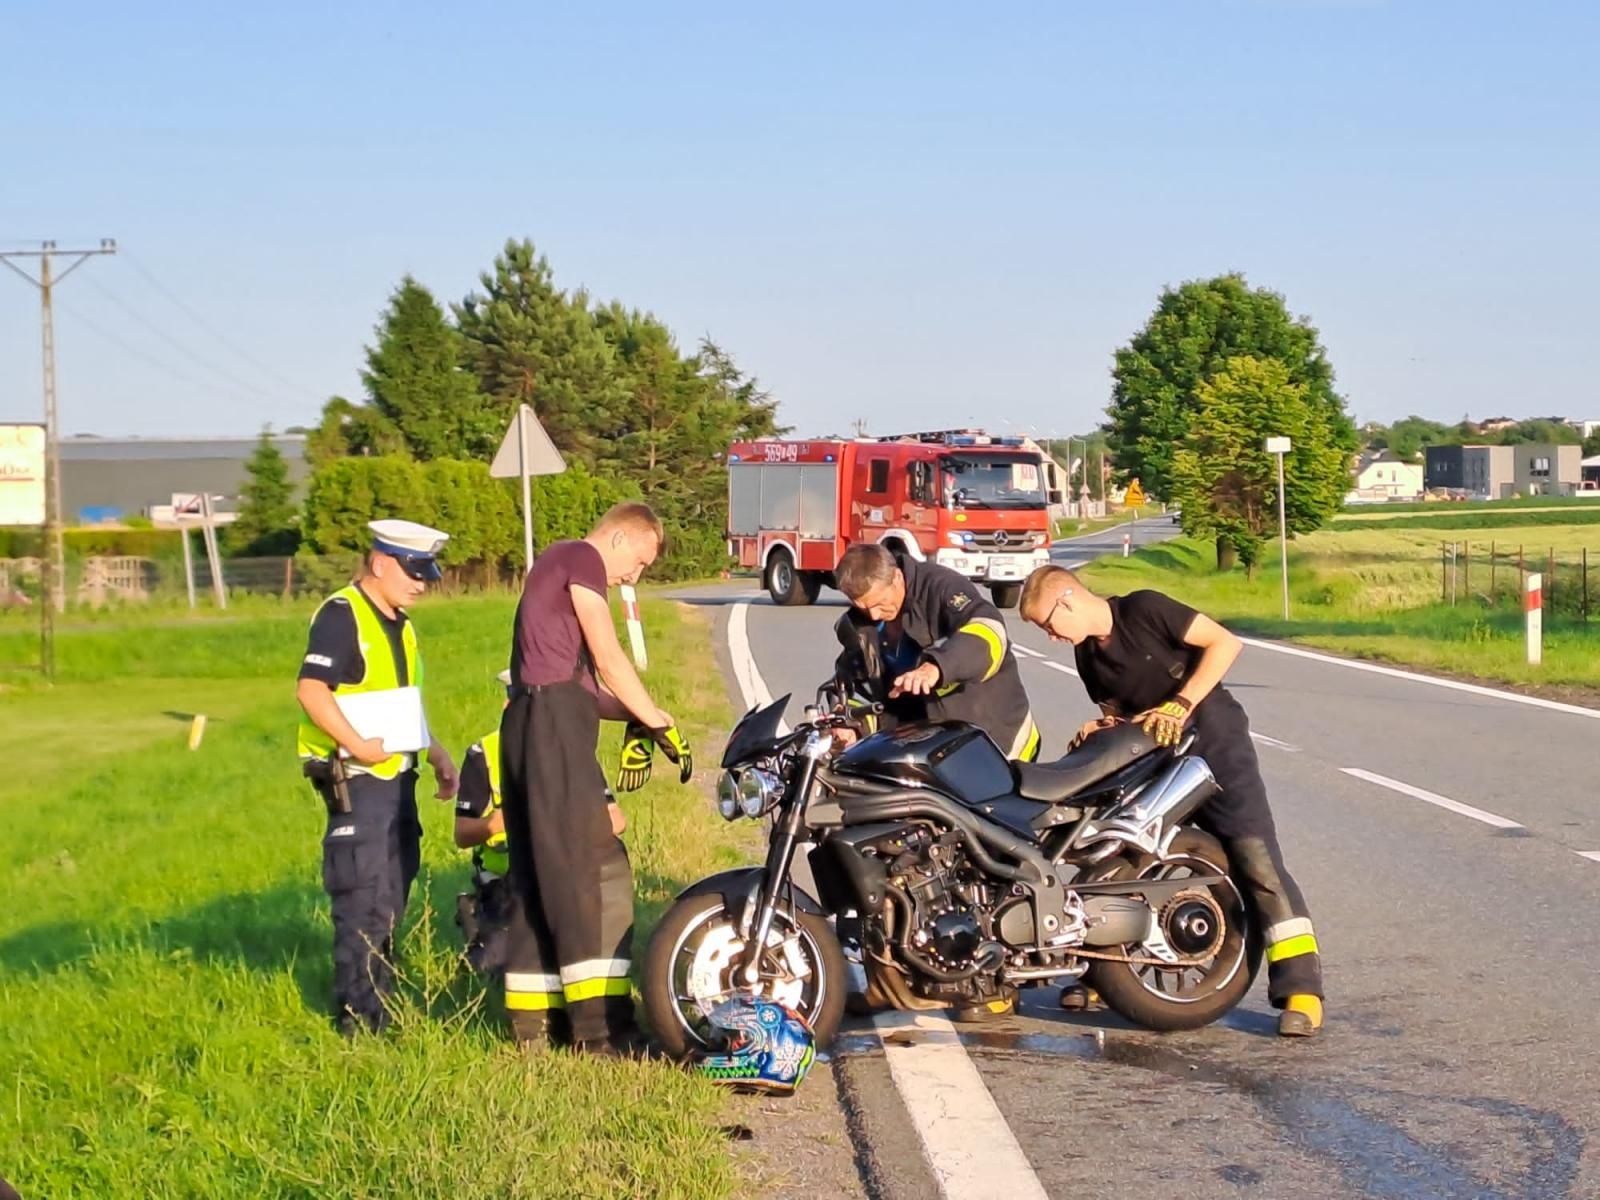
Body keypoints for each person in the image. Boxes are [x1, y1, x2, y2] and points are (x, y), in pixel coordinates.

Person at [1017, 564, 1325, 1037]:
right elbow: (1124, 714)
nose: (1051, 637)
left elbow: (1226, 643)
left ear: (1069, 599)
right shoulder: (1087, 657)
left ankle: (1300, 991)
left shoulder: (1145, 609)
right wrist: (1104, 727)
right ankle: (1101, 970)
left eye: (1048, 625)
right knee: (1118, 853)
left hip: (1213, 740)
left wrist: (1182, 703)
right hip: (1154, 755)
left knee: (1255, 858)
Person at [499, 501, 691, 1056]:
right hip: (551, 728)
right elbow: (608, 656)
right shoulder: (580, 558)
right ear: (618, 538)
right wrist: (654, 716)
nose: (635, 576)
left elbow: (579, 685)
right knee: (589, 873)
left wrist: (637, 716)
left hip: (531, 723)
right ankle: (598, 1032)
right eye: (640, 561)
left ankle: (536, 1026)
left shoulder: (553, 574)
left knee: (543, 872)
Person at [296, 519, 460, 1035]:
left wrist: (435, 752)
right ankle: (359, 1024)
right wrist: (357, 743)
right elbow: (311, 691)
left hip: (398, 783)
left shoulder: (401, 625)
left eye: (426, 573)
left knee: (389, 898)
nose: (421, 583)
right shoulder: (342, 615)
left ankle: (379, 1004)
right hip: (359, 780)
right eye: (413, 572)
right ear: (380, 563)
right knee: (363, 898)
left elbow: (400, 702)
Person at [454, 669, 628, 975]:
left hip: (563, 873)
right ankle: (482, 928)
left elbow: (615, 821)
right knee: (500, 969)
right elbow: (462, 834)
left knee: (574, 957)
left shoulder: (573, 751)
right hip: (507, 881)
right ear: (510, 709)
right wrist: (496, 824)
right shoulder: (485, 754)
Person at [832, 543, 1039, 762]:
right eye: (864, 607)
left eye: (880, 603)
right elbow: (859, 690)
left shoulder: (941, 587)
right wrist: (852, 727)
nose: (873, 615)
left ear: (897, 577)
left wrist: (937, 667)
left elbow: (989, 630)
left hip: (994, 739)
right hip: (928, 748)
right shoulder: (861, 625)